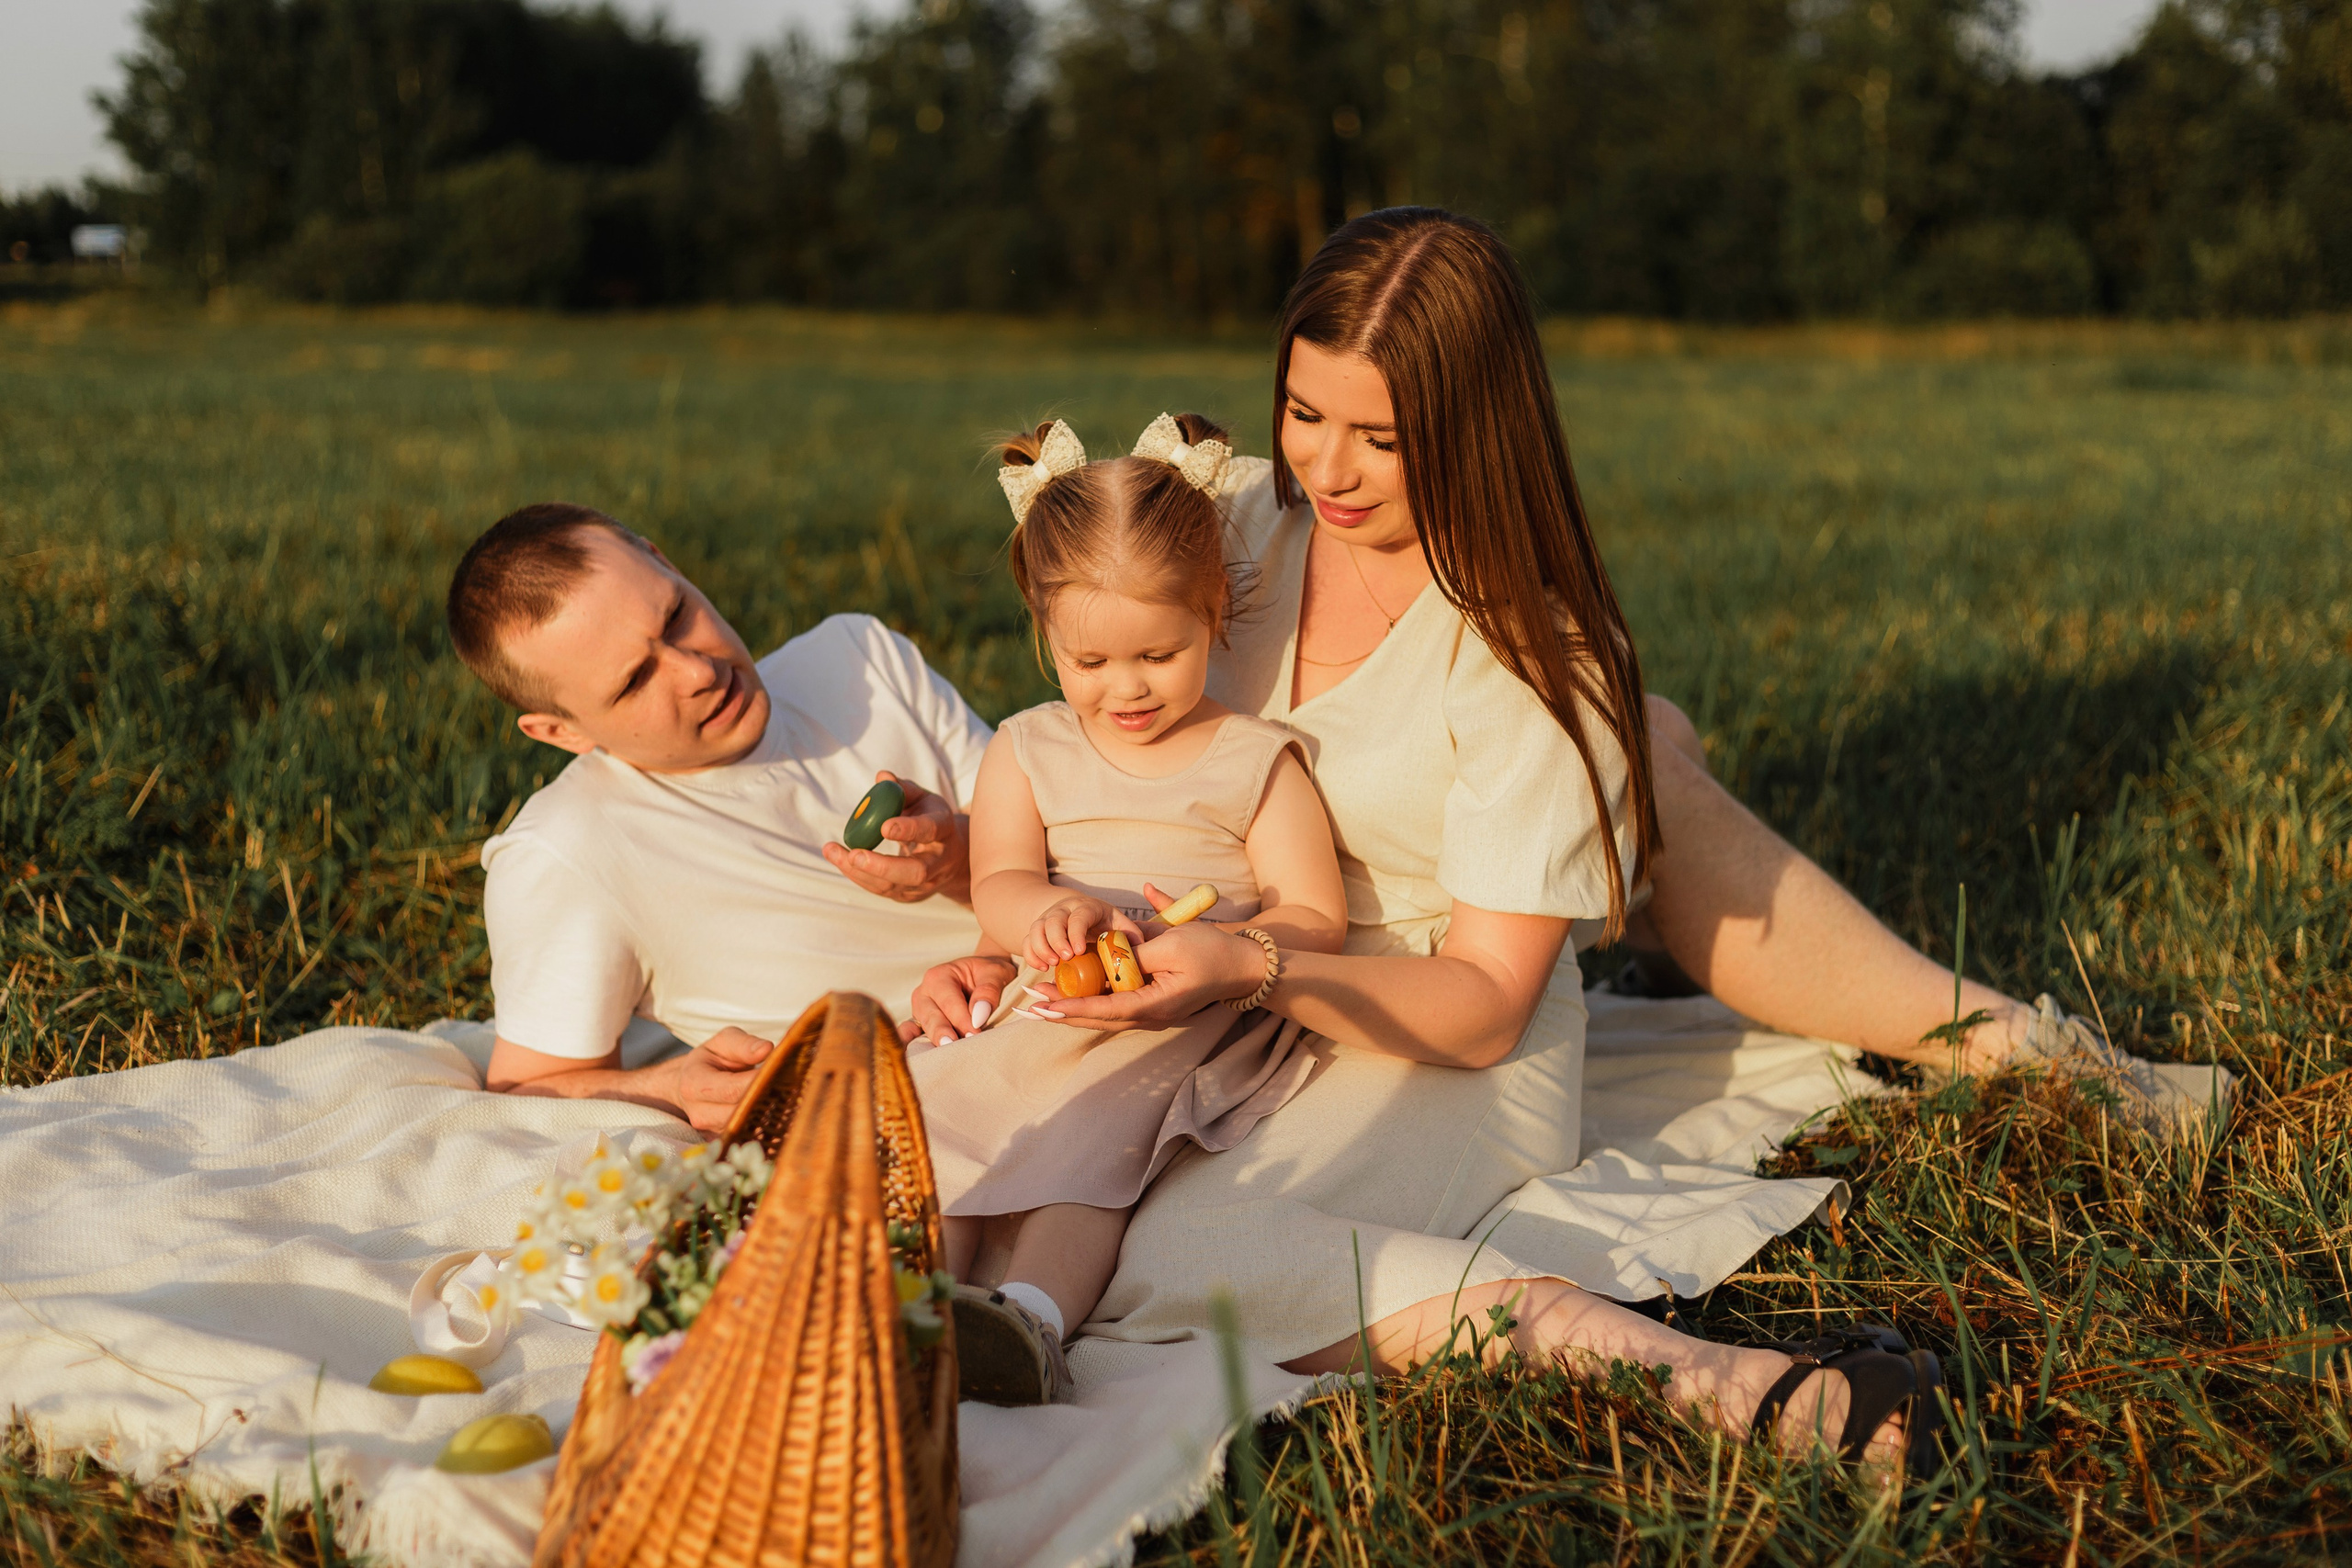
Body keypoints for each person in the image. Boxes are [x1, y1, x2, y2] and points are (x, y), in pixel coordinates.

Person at [899, 207, 2226, 1461]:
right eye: (1305, 410)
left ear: (1472, 428)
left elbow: (1481, 1005)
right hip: (1223, 1000)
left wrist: (1255, 969)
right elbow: (1111, 712)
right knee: (1026, 1175)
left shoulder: (1534, 657)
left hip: (1434, 1020)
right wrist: (979, 857)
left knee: (1175, 1260)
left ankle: (1721, 1379)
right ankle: (1654, 804)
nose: (1326, 465)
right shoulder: (1235, 526)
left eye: (1382, 434)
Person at [909, 412, 1351, 1404]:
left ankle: (1028, 1318)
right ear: (1045, 631)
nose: (1125, 690)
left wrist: (1225, 943)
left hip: (1182, 1015)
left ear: (1214, 617)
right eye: (1089, 664)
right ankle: (902, 1298)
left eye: (1158, 654)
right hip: (1049, 995)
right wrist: (1045, 915)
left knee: (1085, 1154)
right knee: (951, 1125)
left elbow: (1314, 914)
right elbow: (1002, 877)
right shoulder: (1027, 746)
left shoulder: (1253, 758)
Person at [442, 504, 991, 1133]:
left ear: (665, 561)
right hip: (921, 1111)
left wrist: (958, 858)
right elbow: (528, 1088)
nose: (699, 671)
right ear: (561, 731)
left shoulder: (861, 662)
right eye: (634, 682)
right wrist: (672, 1086)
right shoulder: (570, 851)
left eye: (675, 615)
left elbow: (1070, 842)